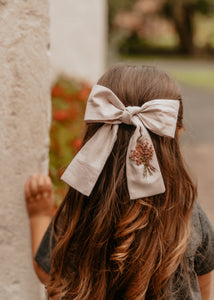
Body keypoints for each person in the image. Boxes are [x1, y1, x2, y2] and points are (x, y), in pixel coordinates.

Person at [25, 65, 214, 300]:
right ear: (178, 133)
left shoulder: (81, 208)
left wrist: (38, 216)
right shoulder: (188, 213)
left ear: (93, 133)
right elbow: (204, 286)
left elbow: (49, 274)